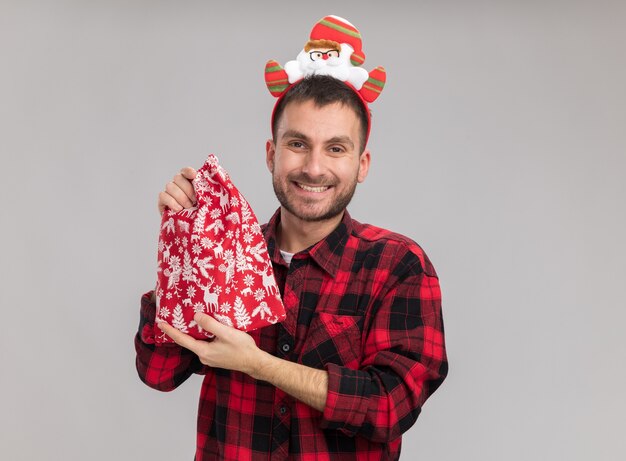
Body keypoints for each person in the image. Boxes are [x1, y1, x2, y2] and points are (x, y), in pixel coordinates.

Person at [135, 23, 447, 457]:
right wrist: (181, 250)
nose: (314, 168)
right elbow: (158, 371)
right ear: (271, 154)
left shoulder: (397, 265)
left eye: (336, 148)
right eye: (298, 144)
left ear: (362, 164)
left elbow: (391, 405)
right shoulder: (225, 255)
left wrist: (259, 365)